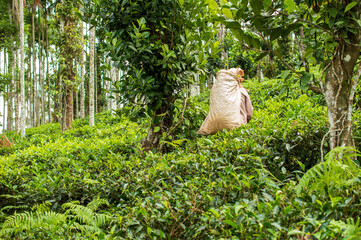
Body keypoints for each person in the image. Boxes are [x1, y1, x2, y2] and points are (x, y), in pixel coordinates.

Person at [197, 68, 253, 135]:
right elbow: (249, 114)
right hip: (239, 129)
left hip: (216, 131)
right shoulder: (242, 91)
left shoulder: (217, 92)